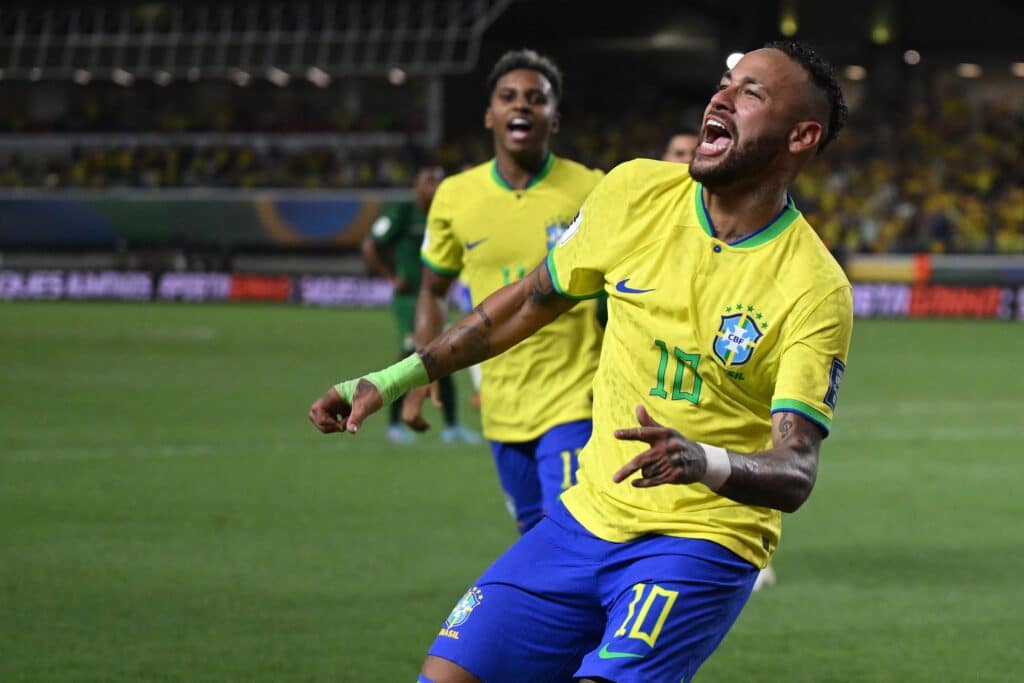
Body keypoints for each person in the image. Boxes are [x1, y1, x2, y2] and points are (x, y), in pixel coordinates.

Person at [310, 41, 851, 683]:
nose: (722, 97)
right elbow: (523, 305)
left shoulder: (814, 287)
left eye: (751, 92)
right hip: (582, 520)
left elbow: (795, 469)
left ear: (801, 136)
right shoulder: (634, 192)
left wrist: (700, 459)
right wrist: (392, 377)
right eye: (725, 83)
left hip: (699, 541)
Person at [403, 49, 605, 534]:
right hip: (500, 401)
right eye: (509, 97)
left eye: (537, 99)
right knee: (533, 535)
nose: (523, 106)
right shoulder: (455, 196)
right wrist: (424, 369)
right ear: (490, 114)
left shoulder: (592, 189)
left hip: (576, 396)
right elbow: (433, 290)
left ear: (554, 119)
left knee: (568, 536)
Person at [361, 165, 480, 444]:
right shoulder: (402, 212)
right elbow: (371, 245)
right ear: (416, 186)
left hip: (436, 297)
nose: (435, 186)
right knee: (408, 358)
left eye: (439, 181)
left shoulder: (443, 215)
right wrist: (391, 277)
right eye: (429, 181)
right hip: (409, 299)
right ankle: (394, 424)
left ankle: (452, 427)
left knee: (445, 355)